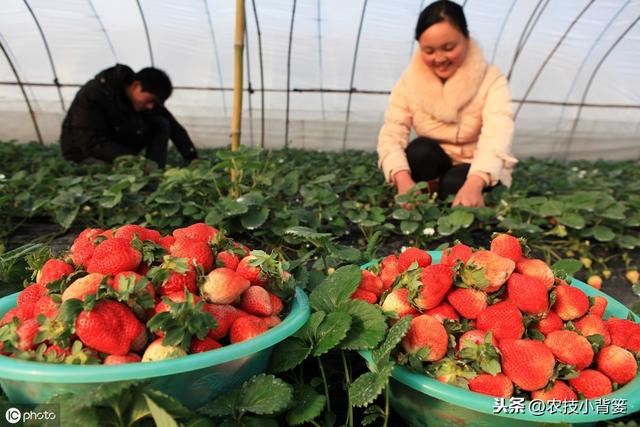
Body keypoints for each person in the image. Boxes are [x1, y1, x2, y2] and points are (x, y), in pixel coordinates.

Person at [377, 0, 517, 207]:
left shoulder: (491, 79)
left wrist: (475, 183)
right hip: (435, 159)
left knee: (454, 186)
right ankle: (429, 191)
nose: (439, 58)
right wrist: (402, 178)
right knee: (419, 152)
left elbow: (497, 134)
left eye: (449, 48)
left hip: (474, 162)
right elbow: (392, 131)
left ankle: (443, 190)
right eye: (429, 51)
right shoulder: (409, 81)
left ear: (466, 38)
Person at [60, 64, 198, 168]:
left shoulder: (144, 102)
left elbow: (173, 126)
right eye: (150, 100)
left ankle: (155, 171)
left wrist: (192, 157)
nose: (151, 106)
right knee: (106, 175)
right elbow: (90, 141)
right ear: (137, 86)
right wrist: (134, 161)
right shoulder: (94, 94)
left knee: (161, 122)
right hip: (83, 153)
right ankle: (144, 171)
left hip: (119, 150)